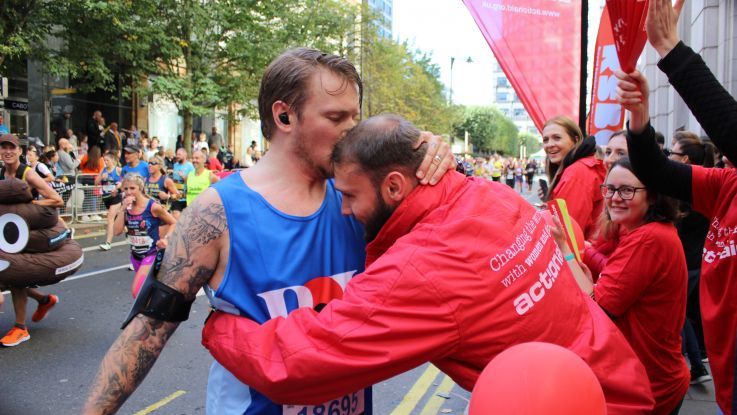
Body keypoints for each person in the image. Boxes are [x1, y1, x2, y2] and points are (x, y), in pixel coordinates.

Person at [82, 47, 453, 415]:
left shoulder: (363, 198)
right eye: (337, 118)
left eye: (355, 119)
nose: (352, 133)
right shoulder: (216, 213)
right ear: (285, 116)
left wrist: (433, 162)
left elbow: (457, 259)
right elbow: (146, 331)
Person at [201, 114, 655, 414]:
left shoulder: (424, 268)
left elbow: (295, 362)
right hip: (616, 384)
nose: (342, 210)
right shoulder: (488, 194)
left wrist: (219, 327)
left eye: (350, 196)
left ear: (395, 187)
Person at [616, 1, 737, 412]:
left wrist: (670, 48)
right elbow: (656, 171)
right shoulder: (727, 185)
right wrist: (638, 117)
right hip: (727, 376)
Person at [559, 157, 689, 414]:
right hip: (654, 376)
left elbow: (597, 310)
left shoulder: (647, 239)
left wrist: (565, 250)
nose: (615, 197)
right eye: (609, 189)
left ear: (652, 196)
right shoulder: (645, 232)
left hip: (651, 385)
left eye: (627, 190)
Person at [0, 134, 64, 347]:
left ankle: (20, 328)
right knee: (8, 276)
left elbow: (57, 199)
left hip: (26, 234)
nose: (7, 152)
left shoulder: (27, 174)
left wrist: (30, 207)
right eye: (3, 148)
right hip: (8, 233)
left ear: (19, 151)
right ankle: (44, 300)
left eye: (11, 148)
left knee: (15, 276)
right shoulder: (1, 173)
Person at [669, 131, 715, 385]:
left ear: (684, 159)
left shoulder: (689, 188)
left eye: (672, 152)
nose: (668, 157)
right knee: (684, 313)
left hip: (688, 262)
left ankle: (696, 365)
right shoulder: (704, 183)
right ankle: (697, 363)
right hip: (696, 260)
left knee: (680, 314)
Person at [540, 116, 607, 239]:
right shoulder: (581, 167)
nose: (549, 144)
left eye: (557, 138)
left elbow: (568, 234)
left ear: (575, 140)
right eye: (545, 140)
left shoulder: (576, 173)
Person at [113, 173, 176, 297]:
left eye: (132, 188)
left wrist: (166, 239)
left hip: (152, 255)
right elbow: (116, 232)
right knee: (148, 292)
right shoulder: (127, 208)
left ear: (140, 188)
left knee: (137, 292)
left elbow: (174, 222)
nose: (128, 192)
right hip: (136, 256)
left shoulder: (152, 206)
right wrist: (123, 209)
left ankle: (145, 315)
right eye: (125, 189)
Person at [97, 152, 124, 251]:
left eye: (107, 160)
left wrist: (119, 186)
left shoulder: (118, 170)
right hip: (106, 197)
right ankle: (128, 228)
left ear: (113, 160)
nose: (106, 162)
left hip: (116, 196)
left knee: (110, 218)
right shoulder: (103, 170)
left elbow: (126, 180)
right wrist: (101, 177)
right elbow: (95, 182)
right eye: (104, 160)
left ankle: (108, 243)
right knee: (117, 217)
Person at [170, 148, 194, 220]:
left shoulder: (190, 166)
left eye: (179, 154)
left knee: (185, 219)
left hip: (186, 196)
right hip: (176, 195)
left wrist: (182, 176)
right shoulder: (175, 165)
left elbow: (192, 180)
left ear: (185, 155)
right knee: (175, 215)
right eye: (177, 154)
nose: (177, 156)